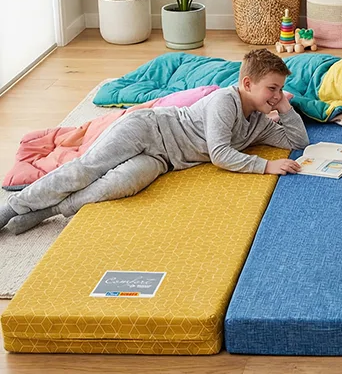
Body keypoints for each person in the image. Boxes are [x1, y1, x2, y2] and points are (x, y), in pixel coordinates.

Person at [0, 48, 309, 235]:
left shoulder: (258, 119)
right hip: (149, 129)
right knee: (86, 169)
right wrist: (265, 165)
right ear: (247, 83)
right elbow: (219, 154)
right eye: (272, 88)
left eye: (280, 89)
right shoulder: (224, 101)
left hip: (164, 160)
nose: (277, 95)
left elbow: (298, 140)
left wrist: (285, 107)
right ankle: (12, 208)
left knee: (117, 186)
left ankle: (46, 212)